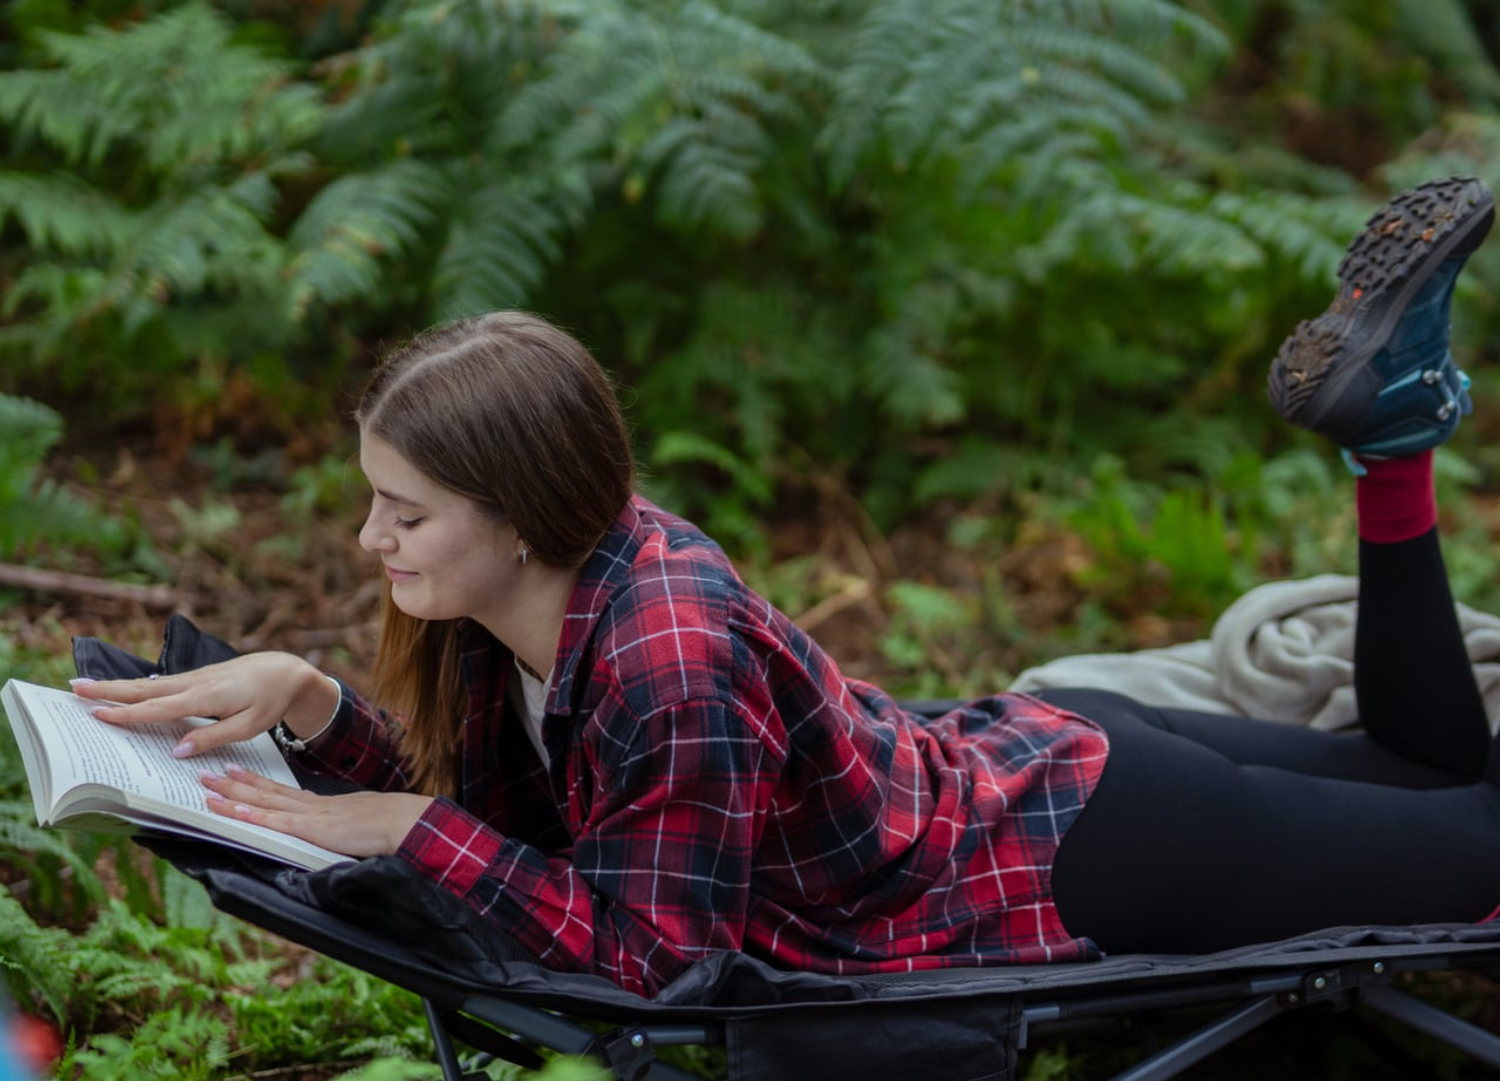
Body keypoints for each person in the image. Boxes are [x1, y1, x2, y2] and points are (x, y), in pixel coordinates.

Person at [72, 176, 1500, 999]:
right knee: (1427, 764)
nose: (372, 544)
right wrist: (313, 701)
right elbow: (525, 821)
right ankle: (1396, 437)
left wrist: (415, 826)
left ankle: (1394, 431)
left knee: (1480, 836)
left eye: (406, 513)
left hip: (1077, 852)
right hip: (1025, 764)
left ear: (517, 516)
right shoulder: (537, 593)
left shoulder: (662, 654)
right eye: (372, 502)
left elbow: (654, 956)